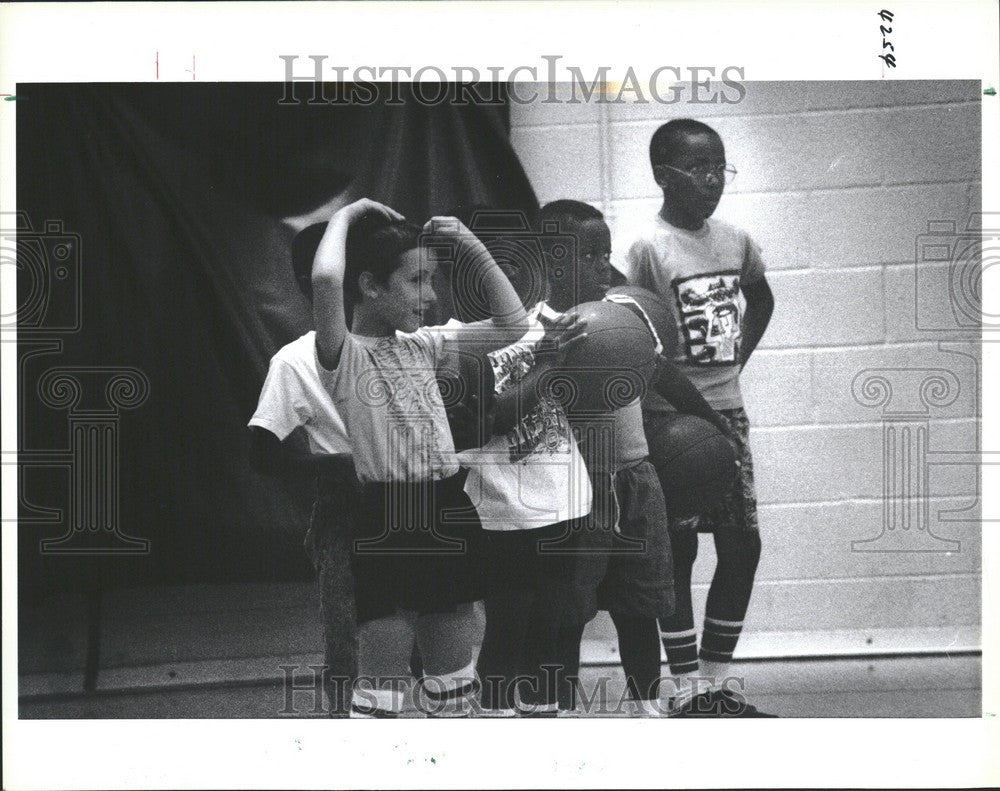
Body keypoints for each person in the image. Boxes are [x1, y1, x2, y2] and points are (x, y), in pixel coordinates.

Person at [310, 198, 527, 718]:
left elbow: (514, 324)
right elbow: (324, 279)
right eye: (415, 281)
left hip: (445, 508)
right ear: (369, 286)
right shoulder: (342, 352)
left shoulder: (426, 345)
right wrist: (347, 215)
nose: (429, 296)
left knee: (454, 691)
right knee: (381, 696)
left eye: (431, 280)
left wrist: (468, 244)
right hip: (386, 515)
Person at [538, 199, 736, 716]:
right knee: (568, 610)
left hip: (634, 477)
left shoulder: (626, 316)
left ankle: (646, 706)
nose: (604, 264)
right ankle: (559, 711)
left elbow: (664, 375)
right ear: (553, 262)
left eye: (606, 253)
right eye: (589, 255)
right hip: (574, 485)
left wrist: (711, 420)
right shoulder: (540, 329)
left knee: (639, 606)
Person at [620, 118, 775, 717]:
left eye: (721, 167)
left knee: (742, 546)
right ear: (664, 175)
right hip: (668, 420)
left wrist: (739, 355)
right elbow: (625, 328)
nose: (714, 180)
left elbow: (760, 296)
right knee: (677, 552)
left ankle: (716, 683)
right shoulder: (643, 248)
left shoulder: (735, 240)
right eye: (700, 168)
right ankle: (683, 689)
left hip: (726, 414)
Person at [247, 222, 359, 718]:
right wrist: (336, 465)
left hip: (417, 507)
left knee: (429, 642)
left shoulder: (417, 344)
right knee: (350, 650)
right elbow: (262, 451)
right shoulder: (294, 361)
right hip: (349, 516)